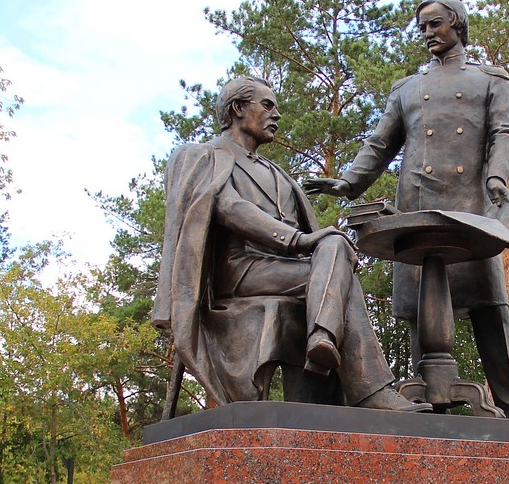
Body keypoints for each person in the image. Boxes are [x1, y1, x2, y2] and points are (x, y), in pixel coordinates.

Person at [304, 0, 509, 420]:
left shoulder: (489, 80)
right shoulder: (408, 88)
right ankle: (431, 403)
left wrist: (497, 177)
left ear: (457, 25)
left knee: (489, 308)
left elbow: (504, 133)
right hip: (418, 205)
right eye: (423, 26)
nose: (427, 33)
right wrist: (349, 182)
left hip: (468, 205)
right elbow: (380, 143)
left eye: (435, 24)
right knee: (419, 308)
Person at [151, 76, 430, 414]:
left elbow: (312, 234)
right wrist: (298, 241)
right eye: (267, 105)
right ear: (238, 109)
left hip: (285, 270)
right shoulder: (203, 156)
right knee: (335, 261)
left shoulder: (277, 172)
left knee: (336, 246)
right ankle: (371, 391)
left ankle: (321, 340)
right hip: (240, 272)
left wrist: (323, 240)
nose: (277, 114)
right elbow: (230, 208)